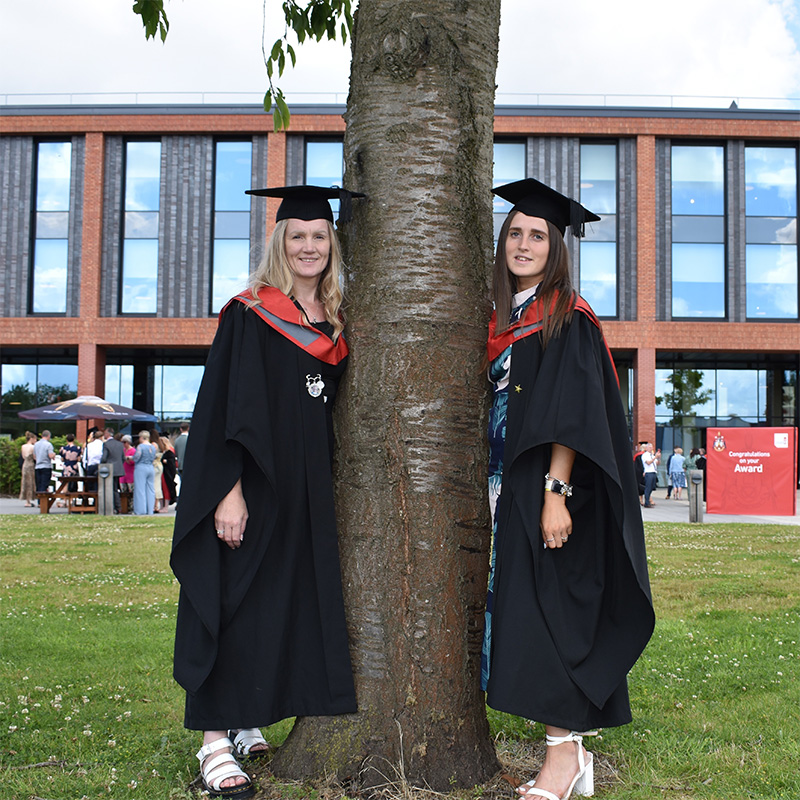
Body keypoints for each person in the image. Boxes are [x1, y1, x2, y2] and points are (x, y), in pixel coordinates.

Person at [170, 185, 363, 799]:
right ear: (280, 243)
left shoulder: (334, 323)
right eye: (297, 236)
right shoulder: (249, 314)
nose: (309, 246)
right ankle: (211, 743)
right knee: (232, 602)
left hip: (306, 490)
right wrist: (228, 491)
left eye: (319, 236)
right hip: (251, 484)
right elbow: (220, 409)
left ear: (333, 244)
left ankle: (246, 712)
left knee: (278, 603)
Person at [481, 178, 654, 800]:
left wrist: (554, 493)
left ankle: (560, 761)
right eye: (516, 233)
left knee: (554, 618)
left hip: (551, 491)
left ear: (556, 249)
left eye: (538, 236)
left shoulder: (565, 317)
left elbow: (572, 412)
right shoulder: (507, 315)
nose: (523, 245)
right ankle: (571, 755)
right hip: (509, 486)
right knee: (531, 617)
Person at [130, 430, 157, 515]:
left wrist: (130, 458)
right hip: (150, 467)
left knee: (140, 489)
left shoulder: (140, 446)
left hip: (141, 467)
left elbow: (137, 457)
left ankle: (140, 510)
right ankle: (150, 510)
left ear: (141, 437)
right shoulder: (153, 447)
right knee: (150, 489)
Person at [101, 428, 126, 513]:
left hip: (109, 468)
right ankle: (118, 506)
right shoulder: (120, 444)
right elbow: (123, 458)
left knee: (111, 489)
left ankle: (114, 506)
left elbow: (104, 458)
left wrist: (102, 464)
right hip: (118, 468)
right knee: (115, 488)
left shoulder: (106, 444)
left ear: (107, 434)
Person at [33, 430, 55, 495]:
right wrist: (54, 454)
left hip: (37, 466)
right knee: (44, 484)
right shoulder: (48, 445)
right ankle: (43, 502)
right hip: (46, 466)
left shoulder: (36, 444)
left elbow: (34, 456)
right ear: (48, 436)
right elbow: (50, 455)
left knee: (39, 484)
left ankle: (39, 501)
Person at [159, 436, 178, 506]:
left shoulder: (169, 452)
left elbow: (172, 463)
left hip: (166, 473)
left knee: (166, 488)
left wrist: (166, 461)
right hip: (165, 472)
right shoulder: (169, 450)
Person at [19, 433, 37, 506]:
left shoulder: (23, 446)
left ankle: (27, 500)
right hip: (30, 464)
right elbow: (34, 457)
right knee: (30, 482)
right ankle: (29, 500)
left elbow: (23, 456)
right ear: (31, 439)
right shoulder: (33, 447)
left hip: (25, 464)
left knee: (25, 481)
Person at [642, 443, 660, 508]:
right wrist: (655, 457)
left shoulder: (652, 455)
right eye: (649, 447)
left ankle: (648, 500)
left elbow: (657, 463)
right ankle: (647, 502)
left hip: (653, 472)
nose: (651, 448)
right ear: (646, 448)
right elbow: (648, 463)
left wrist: (658, 458)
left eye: (651, 447)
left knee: (652, 487)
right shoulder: (645, 455)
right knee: (648, 487)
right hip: (648, 472)